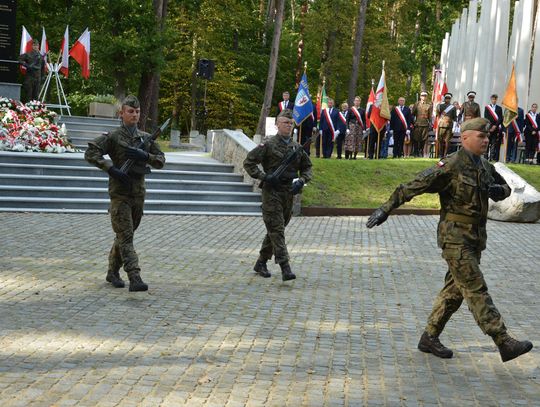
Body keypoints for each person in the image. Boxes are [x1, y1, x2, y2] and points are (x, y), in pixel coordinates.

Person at [366, 117, 533, 363]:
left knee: (453, 293)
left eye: (487, 137)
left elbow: (506, 187)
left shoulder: (485, 166)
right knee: (476, 288)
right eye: (481, 136)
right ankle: (503, 340)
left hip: (475, 239)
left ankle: (429, 337)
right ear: (465, 138)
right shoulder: (451, 165)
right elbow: (413, 186)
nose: (486, 140)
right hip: (454, 239)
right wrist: (385, 209)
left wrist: (501, 191)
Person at [85, 96, 165, 292]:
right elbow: (91, 152)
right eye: (130, 111)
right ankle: (134, 276)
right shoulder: (113, 137)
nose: (134, 115)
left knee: (124, 235)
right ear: (121, 113)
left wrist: (145, 155)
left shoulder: (144, 138)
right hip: (120, 194)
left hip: (138, 194)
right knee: (126, 236)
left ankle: (112, 272)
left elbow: (161, 161)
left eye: (137, 112)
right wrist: (111, 169)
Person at [243, 110, 313, 281]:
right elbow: (249, 162)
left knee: (274, 230)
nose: (288, 126)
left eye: (290, 123)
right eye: (285, 123)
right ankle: (285, 267)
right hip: (271, 192)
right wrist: (264, 177)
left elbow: (307, 167)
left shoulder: (296, 147)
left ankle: (261, 262)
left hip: (288, 193)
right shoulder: (268, 145)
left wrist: (302, 180)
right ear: (277, 125)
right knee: (277, 230)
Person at [412, 91, 432, 157]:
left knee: (423, 139)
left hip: (425, 124)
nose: (424, 97)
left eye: (425, 96)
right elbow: (412, 114)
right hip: (417, 124)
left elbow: (430, 116)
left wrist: (430, 124)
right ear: (420, 97)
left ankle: (421, 151)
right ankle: (415, 152)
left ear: (426, 97)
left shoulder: (429, 105)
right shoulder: (417, 104)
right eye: (422, 96)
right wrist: (413, 122)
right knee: (416, 139)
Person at [436, 93, 457, 158]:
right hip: (441, 124)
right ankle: (440, 154)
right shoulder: (440, 106)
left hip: (449, 125)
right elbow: (438, 115)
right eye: (446, 98)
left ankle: (445, 154)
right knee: (440, 140)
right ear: (444, 98)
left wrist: (455, 127)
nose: (447, 100)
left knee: (447, 141)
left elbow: (454, 117)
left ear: (450, 99)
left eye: (449, 98)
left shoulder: (453, 107)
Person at [484, 94, 503, 161]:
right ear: (491, 99)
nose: (494, 100)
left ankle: (491, 157)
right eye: (493, 99)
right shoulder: (487, 108)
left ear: (496, 100)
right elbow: (486, 118)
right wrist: (490, 127)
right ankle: (485, 157)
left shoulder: (499, 108)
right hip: (489, 128)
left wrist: (495, 126)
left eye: (495, 99)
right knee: (487, 143)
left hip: (496, 128)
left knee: (493, 143)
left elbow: (500, 118)